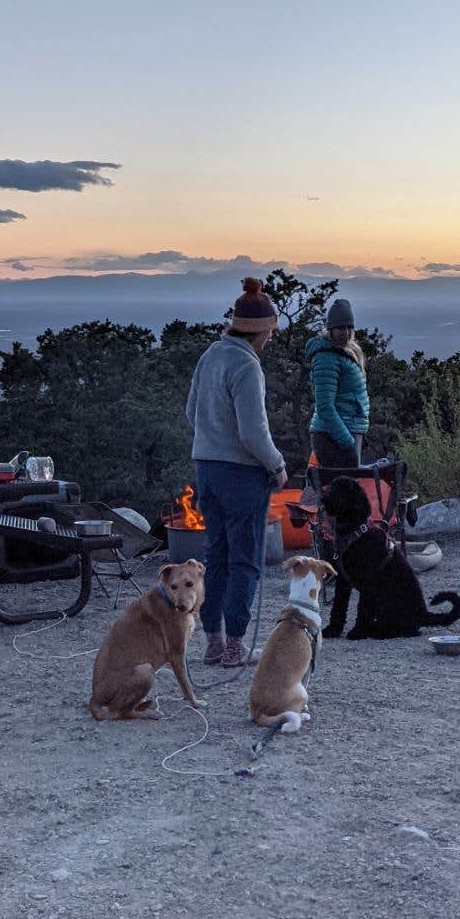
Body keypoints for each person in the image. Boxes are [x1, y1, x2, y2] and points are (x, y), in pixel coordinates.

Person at [185, 278, 287, 667]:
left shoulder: (211, 355)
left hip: (206, 470)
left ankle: (212, 640)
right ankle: (235, 646)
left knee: (217, 555)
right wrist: (276, 466)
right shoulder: (247, 365)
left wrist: (212, 440)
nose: (270, 340)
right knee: (245, 558)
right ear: (261, 331)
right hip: (242, 476)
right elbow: (253, 432)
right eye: (270, 333)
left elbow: (190, 413)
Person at [306, 296, 370, 471]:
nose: (346, 332)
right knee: (342, 493)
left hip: (345, 430)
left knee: (345, 491)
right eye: (341, 327)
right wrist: (346, 441)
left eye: (349, 327)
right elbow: (325, 406)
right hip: (333, 436)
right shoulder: (326, 358)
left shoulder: (345, 353)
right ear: (331, 328)